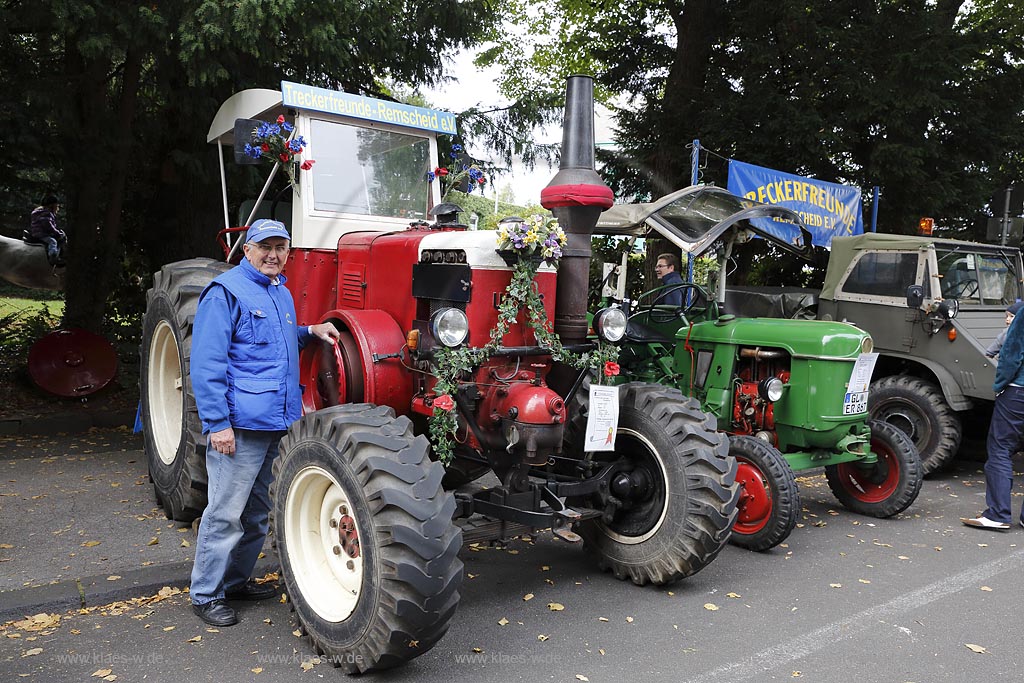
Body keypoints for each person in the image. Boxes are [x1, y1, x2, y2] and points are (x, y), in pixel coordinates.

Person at [189, 219, 340, 626]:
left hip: (279, 423)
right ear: (247, 249)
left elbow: (275, 340)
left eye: (281, 247)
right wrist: (217, 423)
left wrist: (310, 331)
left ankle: (236, 581)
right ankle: (206, 594)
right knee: (224, 513)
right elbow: (206, 364)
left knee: (258, 514)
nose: (273, 254)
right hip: (240, 428)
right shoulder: (226, 293)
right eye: (265, 247)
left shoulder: (281, 292)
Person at [962, 308, 1024, 531]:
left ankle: (998, 514)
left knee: (1000, 448)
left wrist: (999, 386)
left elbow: (1012, 354)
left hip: (1018, 392)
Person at [28, 195, 66, 266]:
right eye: (56, 205)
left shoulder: (39, 212)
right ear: (52, 205)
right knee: (53, 241)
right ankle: (53, 256)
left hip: (37, 232)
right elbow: (49, 226)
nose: (57, 207)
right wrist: (57, 233)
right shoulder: (47, 213)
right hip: (41, 233)